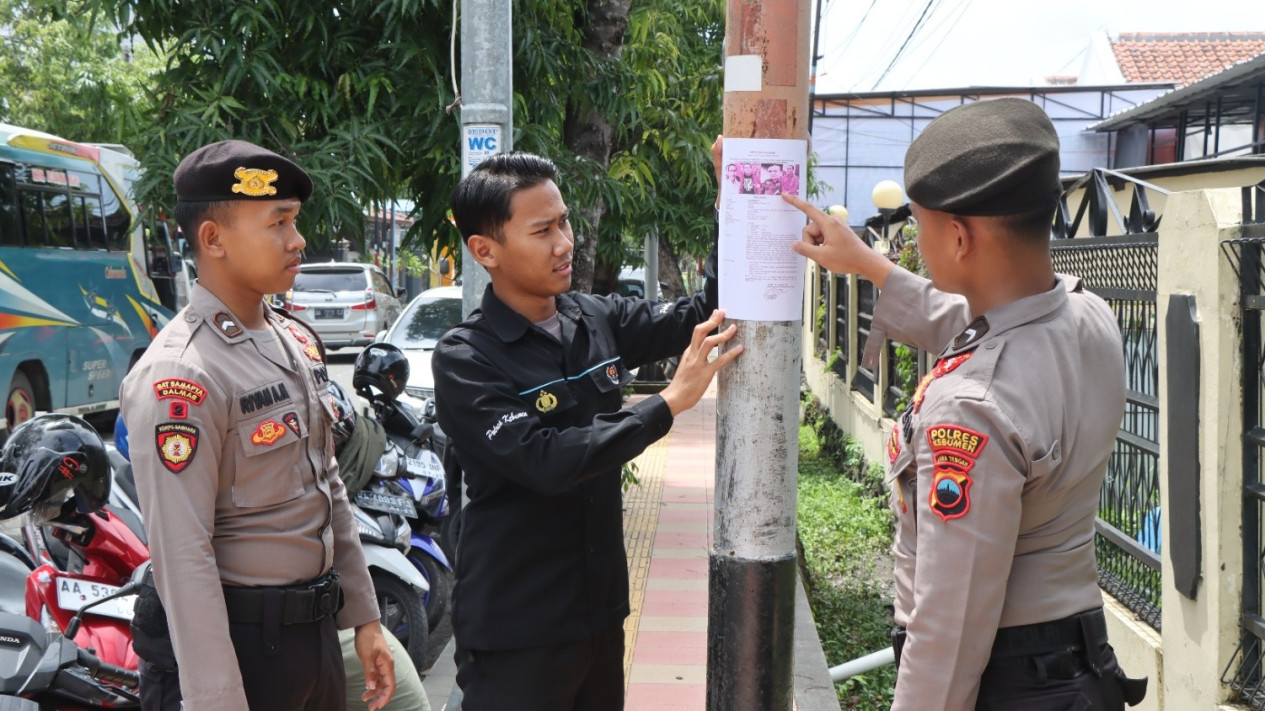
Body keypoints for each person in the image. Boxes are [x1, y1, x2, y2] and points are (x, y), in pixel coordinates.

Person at [784, 98, 1147, 710]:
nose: (913, 242)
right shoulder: (1089, 317)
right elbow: (987, 327)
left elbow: (949, 633)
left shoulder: (969, 408)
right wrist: (870, 266)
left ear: (957, 236)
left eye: (920, 224)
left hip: (1005, 684)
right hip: (1077, 667)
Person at [431, 149, 741, 710]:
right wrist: (669, 403)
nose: (564, 243)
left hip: (598, 613)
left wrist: (733, 198)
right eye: (543, 230)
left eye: (565, 221)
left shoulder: (594, 318)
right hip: (516, 631)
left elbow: (708, 308)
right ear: (485, 251)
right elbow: (545, 461)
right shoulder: (465, 357)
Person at [119, 139, 396, 711]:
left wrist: (363, 618)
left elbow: (327, 488)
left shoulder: (285, 339)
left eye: (295, 221)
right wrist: (217, 701)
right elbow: (183, 554)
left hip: (310, 638)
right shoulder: (182, 372)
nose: (297, 240)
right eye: (279, 222)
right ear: (213, 239)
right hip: (239, 651)